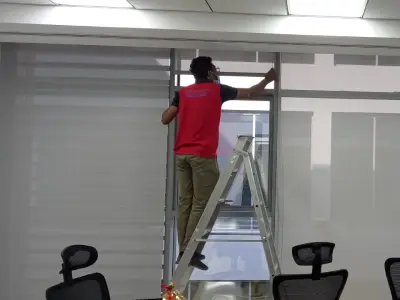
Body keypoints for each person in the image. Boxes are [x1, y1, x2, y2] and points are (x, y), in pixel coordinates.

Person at [161, 56, 276, 270]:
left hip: (182, 155)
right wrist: (268, 79)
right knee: (202, 203)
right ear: (210, 71)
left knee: (186, 201)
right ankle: (190, 251)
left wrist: (181, 106)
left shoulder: (183, 93)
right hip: (202, 155)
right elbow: (250, 93)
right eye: (214, 68)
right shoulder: (217, 90)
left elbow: (165, 118)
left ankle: (184, 250)